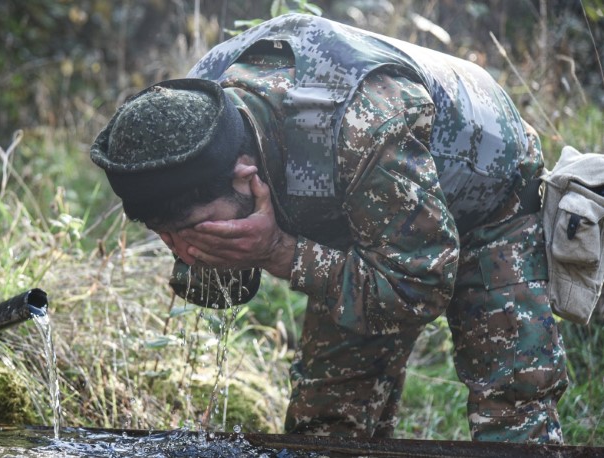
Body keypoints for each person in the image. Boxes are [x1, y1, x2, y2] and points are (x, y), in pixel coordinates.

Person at [90, 13, 568, 443]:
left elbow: (419, 287)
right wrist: (214, 253)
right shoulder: (187, 128)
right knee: (327, 423)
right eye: (165, 235)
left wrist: (280, 251)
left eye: (196, 230)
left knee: (513, 405)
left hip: (489, 193)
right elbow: (223, 286)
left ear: (245, 177)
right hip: (361, 206)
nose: (183, 249)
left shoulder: (366, 124)